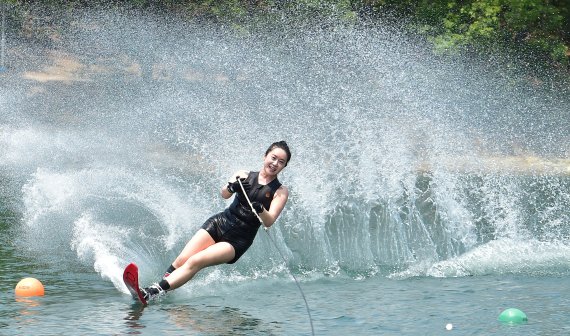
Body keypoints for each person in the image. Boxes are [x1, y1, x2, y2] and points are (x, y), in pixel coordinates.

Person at [140, 141, 291, 301]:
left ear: (284, 166)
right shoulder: (243, 175)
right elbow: (224, 194)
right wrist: (232, 187)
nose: (275, 163)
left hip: (238, 240)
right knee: (181, 260)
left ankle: (151, 292)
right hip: (219, 223)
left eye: (281, 162)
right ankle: (162, 288)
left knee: (196, 261)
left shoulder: (280, 191)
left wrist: (261, 209)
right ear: (265, 156)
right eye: (273, 158)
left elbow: (269, 221)